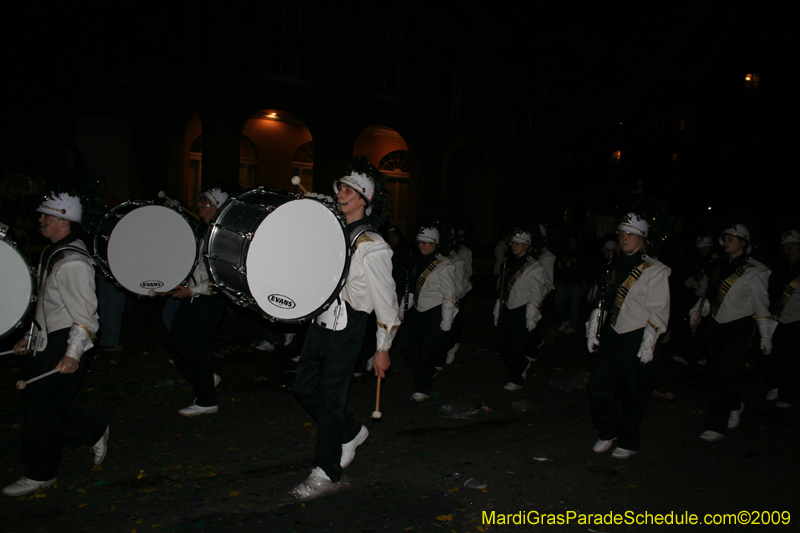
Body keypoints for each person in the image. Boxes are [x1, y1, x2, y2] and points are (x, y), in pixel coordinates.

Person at [291, 157, 400, 500]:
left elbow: (387, 303)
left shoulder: (373, 246)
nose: (340, 193)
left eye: (349, 190)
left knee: (330, 399)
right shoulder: (333, 231)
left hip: (350, 326)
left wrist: (383, 347)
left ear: (364, 200)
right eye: (340, 187)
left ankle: (326, 470)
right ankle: (351, 430)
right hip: (321, 320)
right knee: (304, 389)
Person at [4, 193, 109, 497]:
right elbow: (49, 306)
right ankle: (93, 431)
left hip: (66, 342)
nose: (40, 221)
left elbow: (86, 317)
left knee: (42, 409)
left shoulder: (73, 262)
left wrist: (73, 354)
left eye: (45, 217)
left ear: (62, 221)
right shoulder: (54, 252)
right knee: (49, 406)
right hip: (50, 338)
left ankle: (41, 473)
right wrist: (30, 337)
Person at [586, 213, 671, 459]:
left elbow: (659, 310)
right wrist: (593, 329)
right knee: (597, 386)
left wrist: (649, 343)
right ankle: (608, 431)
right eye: (622, 233)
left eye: (630, 234)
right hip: (612, 335)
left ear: (642, 238)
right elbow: (603, 301)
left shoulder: (654, 270)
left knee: (634, 393)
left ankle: (629, 440)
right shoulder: (612, 265)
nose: (625, 238)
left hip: (636, 336)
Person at [689, 223, 772, 442]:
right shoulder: (716, 265)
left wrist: (766, 335)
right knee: (716, 372)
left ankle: (716, 425)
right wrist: (699, 309)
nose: (727, 241)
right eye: (725, 237)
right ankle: (735, 404)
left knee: (726, 373)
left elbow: (762, 304)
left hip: (739, 326)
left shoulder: (755, 270)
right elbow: (709, 295)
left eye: (733, 238)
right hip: (716, 325)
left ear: (744, 243)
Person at [167, 187, 228, 417]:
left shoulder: (221, 237)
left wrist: (191, 291)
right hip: (193, 296)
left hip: (207, 300)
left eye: (203, 203)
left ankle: (207, 400)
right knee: (177, 344)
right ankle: (206, 379)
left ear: (215, 207)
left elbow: (219, 281)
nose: (199, 207)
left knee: (199, 350)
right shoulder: (203, 229)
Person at [400, 224, 459, 400]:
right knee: (407, 346)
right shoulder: (417, 263)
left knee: (428, 351)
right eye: (420, 242)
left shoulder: (444, 266)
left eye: (427, 243)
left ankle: (422, 387)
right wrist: (400, 311)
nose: (422, 246)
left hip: (435, 313)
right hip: (418, 312)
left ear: (435, 244)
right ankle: (426, 371)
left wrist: (447, 320)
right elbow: (411, 290)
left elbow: (450, 294)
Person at [494, 228, 548, 391]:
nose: (514, 245)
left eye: (518, 243)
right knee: (502, 342)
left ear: (526, 246)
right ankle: (521, 364)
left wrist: (531, 316)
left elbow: (536, 294)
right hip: (507, 308)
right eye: (513, 242)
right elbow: (502, 287)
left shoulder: (534, 267)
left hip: (521, 310)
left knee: (518, 347)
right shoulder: (508, 262)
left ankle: (516, 379)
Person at [765, 230, 800, 407]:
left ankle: (788, 395)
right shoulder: (779, 268)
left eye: (793, 245)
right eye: (786, 246)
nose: (790, 249)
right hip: (777, 320)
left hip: (796, 322)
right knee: (774, 355)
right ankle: (776, 386)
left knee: (793, 360)